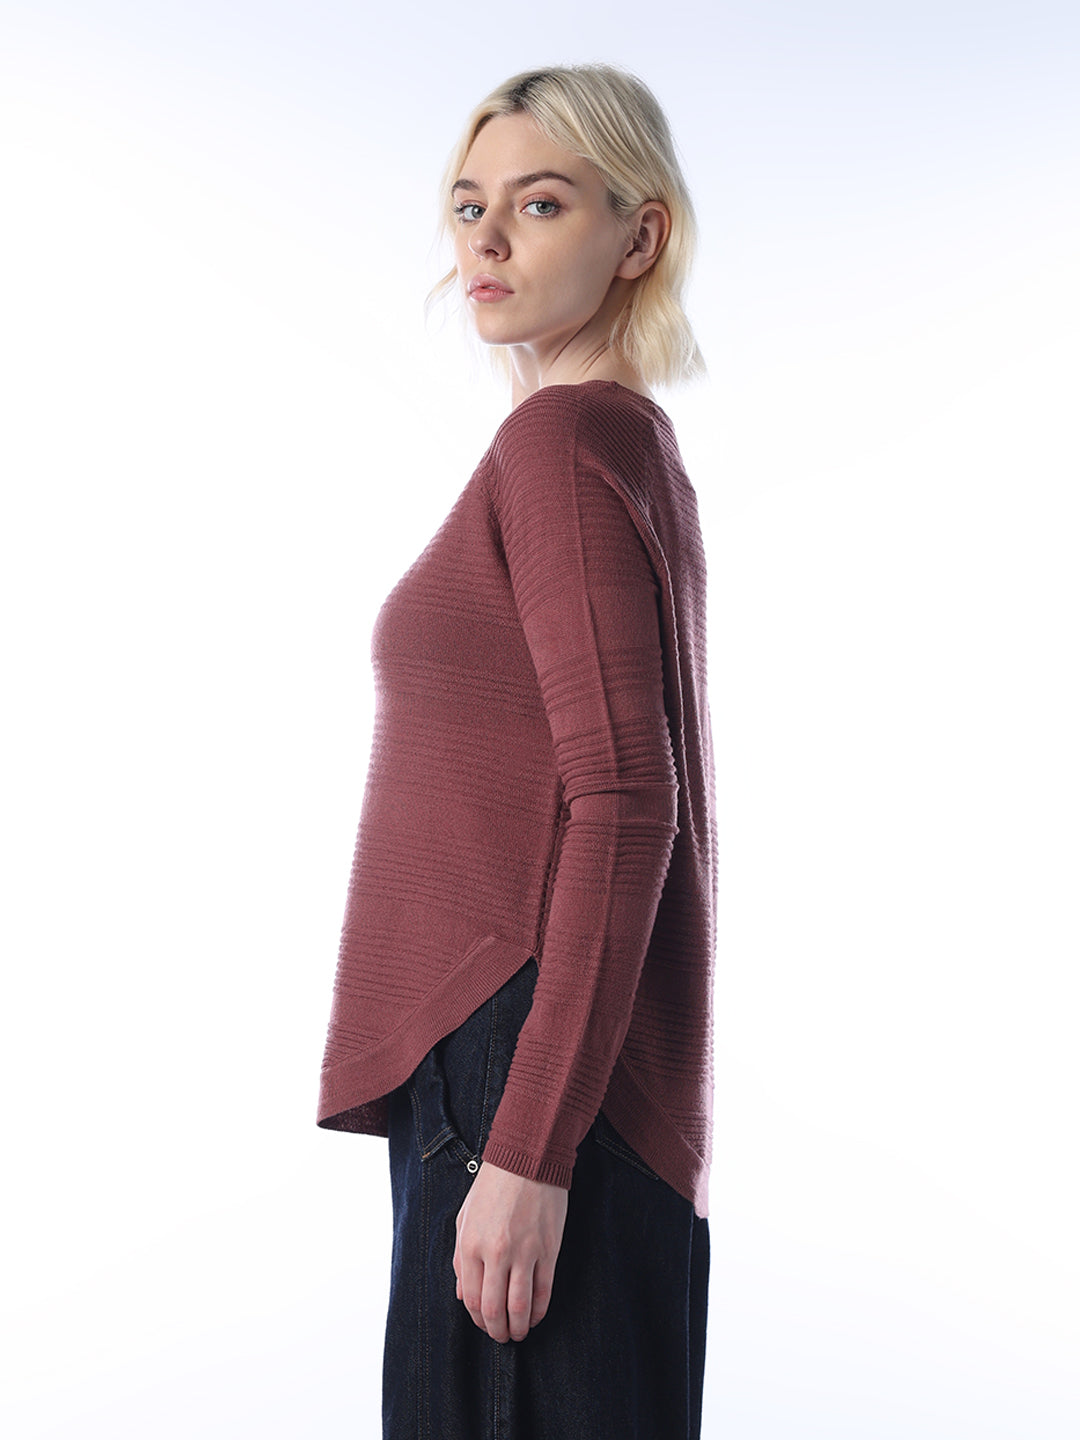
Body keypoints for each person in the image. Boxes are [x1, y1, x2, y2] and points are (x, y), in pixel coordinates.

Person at [317, 64, 717, 1439]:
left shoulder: (561, 442)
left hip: (521, 1065)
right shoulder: (622, 446)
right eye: (468, 203)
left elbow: (628, 797)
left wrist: (529, 1148)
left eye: (541, 204)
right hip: (547, 1065)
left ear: (638, 236)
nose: (486, 238)